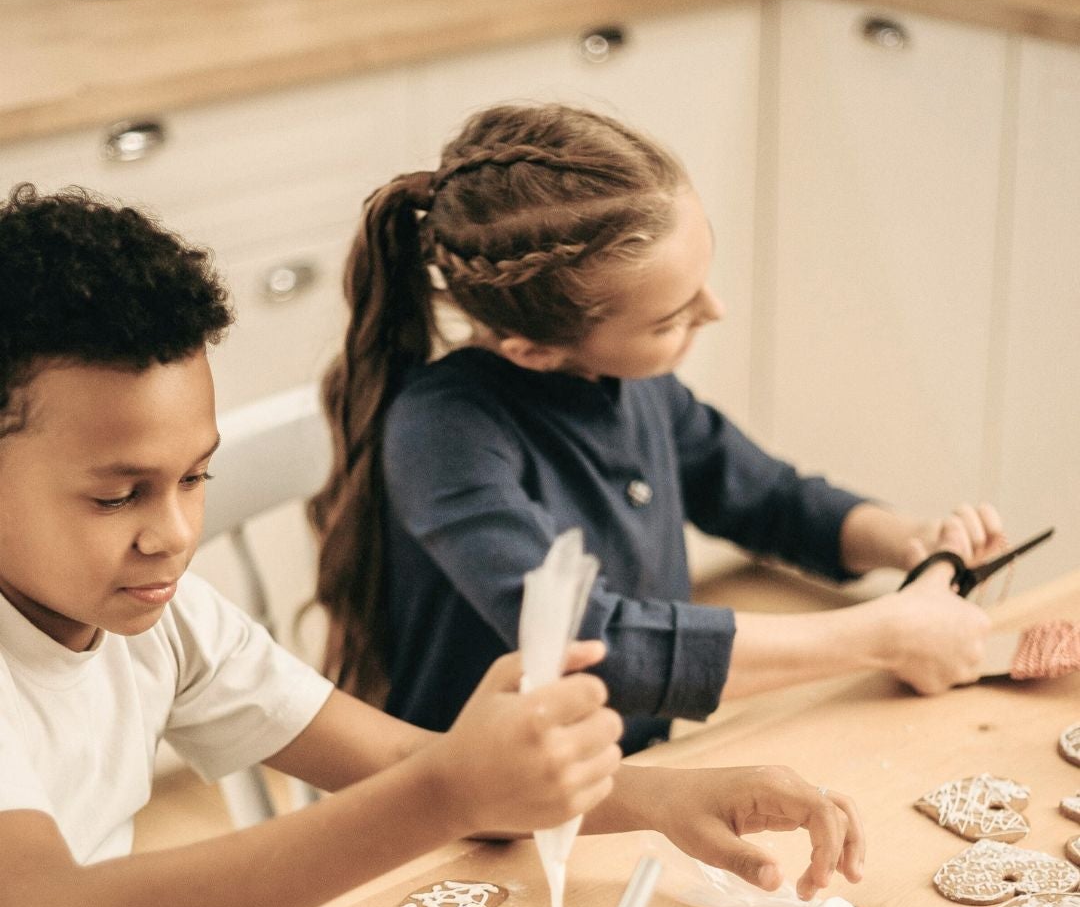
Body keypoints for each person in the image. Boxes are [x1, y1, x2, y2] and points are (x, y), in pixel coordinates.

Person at [0, 185, 863, 907]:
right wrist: (447, 796)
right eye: (117, 497)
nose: (175, 533)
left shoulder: (171, 618)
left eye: (193, 478)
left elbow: (395, 762)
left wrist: (664, 799)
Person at [312, 101, 1001, 756]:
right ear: (535, 350)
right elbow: (590, 647)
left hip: (629, 767)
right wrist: (880, 635)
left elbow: (770, 498)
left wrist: (908, 540)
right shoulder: (444, 434)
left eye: (702, 280)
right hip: (482, 816)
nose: (716, 309)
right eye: (670, 318)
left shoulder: (636, 387)